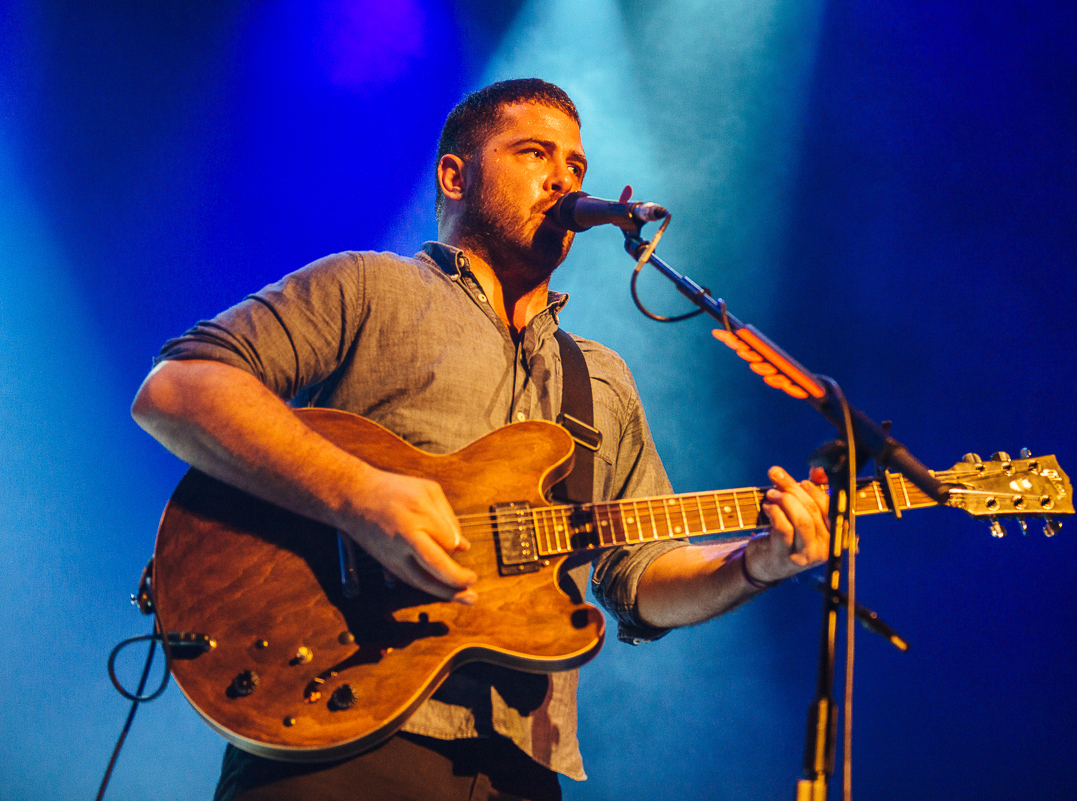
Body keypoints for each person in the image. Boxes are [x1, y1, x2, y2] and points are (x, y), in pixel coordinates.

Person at [132, 78, 830, 801]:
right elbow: (179, 388)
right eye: (535, 153)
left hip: (520, 766)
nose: (564, 177)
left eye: (577, 166)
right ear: (454, 175)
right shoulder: (370, 288)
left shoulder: (601, 380)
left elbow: (639, 578)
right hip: (334, 729)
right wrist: (359, 494)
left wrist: (755, 563)